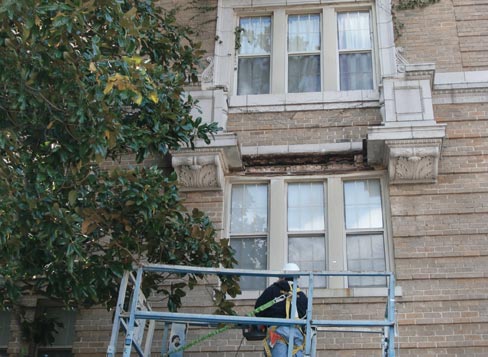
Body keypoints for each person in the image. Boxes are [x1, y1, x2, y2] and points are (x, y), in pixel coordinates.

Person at [255, 263, 308, 357]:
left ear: (282, 276)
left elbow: (258, 310)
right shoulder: (303, 297)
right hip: (296, 336)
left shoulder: (271, 291)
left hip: (277, 334)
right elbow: (306, 318)